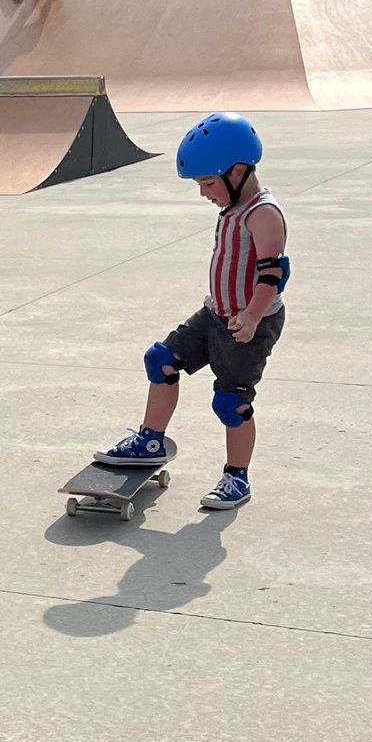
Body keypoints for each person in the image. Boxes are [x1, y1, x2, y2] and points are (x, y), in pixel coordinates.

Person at [96, 113, 289, 512]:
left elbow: (272, 275)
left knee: (231, 403)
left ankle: (237, 477)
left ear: (237, 172)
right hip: (214, 315)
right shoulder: (233, 208)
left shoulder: (263, 213)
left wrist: (252, 317)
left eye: (207, 183)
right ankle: (151, 441)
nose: (203, 193)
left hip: (249, 325)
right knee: (161, 360)